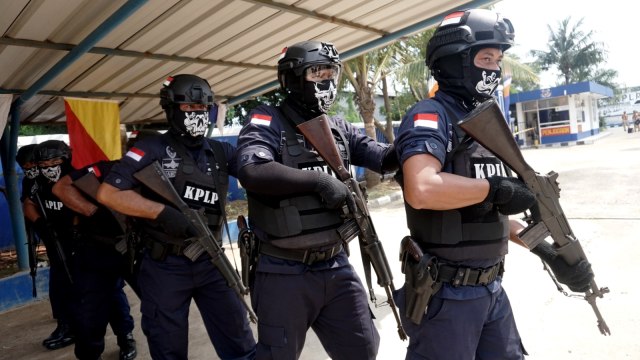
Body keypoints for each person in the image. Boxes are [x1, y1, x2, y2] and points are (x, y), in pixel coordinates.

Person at [392, 9, 594, 359]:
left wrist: (548, 253)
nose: (495, 69)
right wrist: (495, 190)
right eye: (486, 58)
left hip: (491, 291)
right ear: (454, 60)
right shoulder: (431, 115)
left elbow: (491, 216)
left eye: (498, 60)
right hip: (446, 295)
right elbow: (422, 188)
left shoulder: (488, 126)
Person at [236, 40, 398, 360]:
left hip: (336, 264)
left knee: (364, 349)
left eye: (331, 72)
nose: (326, 80)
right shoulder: (268, 120)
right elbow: (252, 169)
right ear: (293, 78)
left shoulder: (338, 127)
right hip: (283, 270)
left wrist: (419, 144)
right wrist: (319, 180)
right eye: (316, 72)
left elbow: (384, 159)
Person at [96, 74, 256, 360]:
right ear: (171, 110)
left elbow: (257, 170)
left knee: (240, 341)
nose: (197, 115)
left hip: (211, 259)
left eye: (202, 108)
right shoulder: (150, 148)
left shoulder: (219, 151)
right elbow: (109, 194)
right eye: (188, 109)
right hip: (164, 265)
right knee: (167, 347)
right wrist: (161, 213)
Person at [52, 158, 140, 360]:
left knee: (158, 308)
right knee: (89, 311)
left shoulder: (165, 171)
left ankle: (126, 337)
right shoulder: (108, 167)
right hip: (97, 249)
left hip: (139, 249)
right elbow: (61, 187)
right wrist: (93, 211)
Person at [21, 140, 76, 351]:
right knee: (61, 284)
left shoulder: (77, 177)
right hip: (56, 244)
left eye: (55, 162)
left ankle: (123, 335)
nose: (49, 168)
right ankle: (65, 325)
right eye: (44, 164)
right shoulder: (35, 182)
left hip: (84, 244)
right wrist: (42, 224)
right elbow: (28, 203)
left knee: (102, 290)